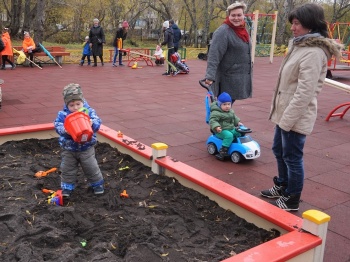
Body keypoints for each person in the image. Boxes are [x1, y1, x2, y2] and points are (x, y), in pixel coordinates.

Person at [260, 3, 342, 211]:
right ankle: (283, 185)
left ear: (310, 24)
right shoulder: (299, 45)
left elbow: (305, 92)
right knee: (279, 150)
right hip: (285, 111)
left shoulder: (313, 52)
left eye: (297, 23)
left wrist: (287, 120)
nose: (293, 28)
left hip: (295, 115)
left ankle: (292, 198)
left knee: (292, 157)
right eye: (293, 23)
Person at [54, 83, 104, 197]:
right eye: (72, 105)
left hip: (86, 147)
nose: (76, 107)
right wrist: (65, 130)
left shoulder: (89, 112)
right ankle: (67, 187)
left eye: (78, 104)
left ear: (83, 102)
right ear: (67, 105)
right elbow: (57, 125)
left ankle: (97, 184)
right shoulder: (63, 114)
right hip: (69, 148)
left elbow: (97, 122)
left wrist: (92, 124)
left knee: (91, 167)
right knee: (67, 168)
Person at [205, 2, 252, 102]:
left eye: (239, 15)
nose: (236, 18)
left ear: (243, 15)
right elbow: (214, 55)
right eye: (233, 15)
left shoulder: (243, 30)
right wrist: (210, 76)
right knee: (222, 108)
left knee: (225, 109)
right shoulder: (223, 31)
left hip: (237, 77)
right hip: (227, 78)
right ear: (228, 16)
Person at [209, 92, 242, 159]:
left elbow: (234, 117)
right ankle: (223, 150)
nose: (227, 106)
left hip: (230, 128)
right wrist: (216, 127)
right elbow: (213, 120)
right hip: (221, 130)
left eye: (229, 104)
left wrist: (238, 122)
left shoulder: (231, 111)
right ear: (219, 105)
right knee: (229, 135)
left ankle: (236, 144)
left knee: (239, 132)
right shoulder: (216, 112)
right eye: (224, 104)